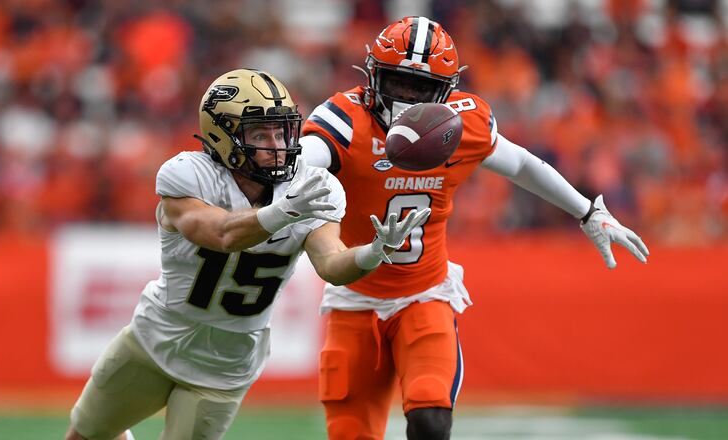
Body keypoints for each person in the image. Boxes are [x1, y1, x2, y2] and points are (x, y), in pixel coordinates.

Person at [300, 16, 650, 440]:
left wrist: (586, 211)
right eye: (398, 83)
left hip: (424, 292)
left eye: (421, 89)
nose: (408, 100)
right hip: (353, 296)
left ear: (446, 92)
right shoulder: (343, 120)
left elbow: (520, 163)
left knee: (431, 419)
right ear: (373, 76)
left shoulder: (460, 124)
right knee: (351, 434)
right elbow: (302, 162)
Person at [64, 68, 430, 440]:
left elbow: (331, 264)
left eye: (281, 130)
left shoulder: (312, 185)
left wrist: (372, 253)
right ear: (222, 136)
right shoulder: (189, 175)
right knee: (84, 436)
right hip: (154, 337)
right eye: (259, 133)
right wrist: (283, 211)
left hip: (226, 363)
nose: (275, 144)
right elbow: (221, 234)